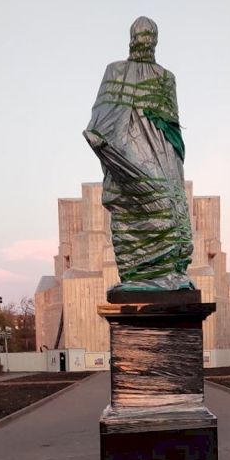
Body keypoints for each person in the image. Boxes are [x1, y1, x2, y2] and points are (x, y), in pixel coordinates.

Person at [84, 16, 194, 292]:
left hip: (157, 156)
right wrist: (112, 151)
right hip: (130, 151)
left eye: (148, 37)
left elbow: (171, 130)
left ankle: (164, 274)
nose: (144, 41)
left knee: (165, 208)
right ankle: (140, 277)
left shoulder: (165, 78)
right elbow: (103, 117)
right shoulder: (117, 71)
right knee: (134, 207)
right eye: (141, 36)